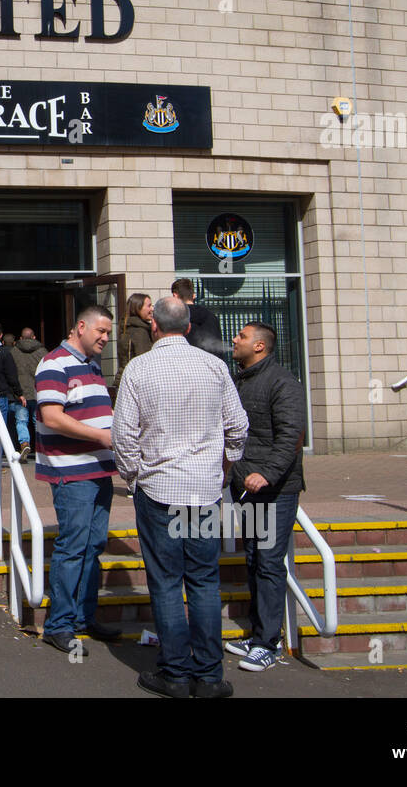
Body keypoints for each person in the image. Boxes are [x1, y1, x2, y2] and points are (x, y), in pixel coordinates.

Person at [113, 296, 247, 698]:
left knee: (167, 583)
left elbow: (123, 437)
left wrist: (135, 477)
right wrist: (221, 470)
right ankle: (208, 676)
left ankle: (174, 673)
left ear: (154, 327)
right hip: (202, 490)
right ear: (188, 327)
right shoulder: (214, 367)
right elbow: (237, 428)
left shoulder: (139, 368)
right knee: (204, 581)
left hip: (158, 490)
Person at [34, 305, 120, 655]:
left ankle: (84, 618)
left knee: (94, 546)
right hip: (72, 471)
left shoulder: (91, 365)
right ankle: (59, 625)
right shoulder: (53, 364)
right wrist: (101, 437)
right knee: (73, 547)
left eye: (108, 334)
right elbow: (52, 417)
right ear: (80, 327)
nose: (105, 338)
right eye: (100, 331)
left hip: (99, 470)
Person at [226, 322, 306, 672]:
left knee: (270, 562)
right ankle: (258, 634)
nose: (234, 339)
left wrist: (267, 474)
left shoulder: (283, 383)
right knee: (255, 560)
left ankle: (268, 644)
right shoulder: (240, 379)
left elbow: (291, 436)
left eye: (241, 337)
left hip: (275, 491)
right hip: (246, 489)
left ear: (259, 346)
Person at [11, 327, 46, 462]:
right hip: (38, 392)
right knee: (37, 421)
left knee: (21, 421)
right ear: (34, 337)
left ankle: (24, 444)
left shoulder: (14, 352)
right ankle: (40, 448)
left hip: (21, 393)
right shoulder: (43, 352)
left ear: (20, 338)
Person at [171, 278, 224, 357]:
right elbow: (218, 349)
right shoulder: (211, 317)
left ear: (175, 296)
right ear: (194, 295)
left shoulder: (173, 319)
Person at [118, 292, 154, 376]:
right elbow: (144, 363)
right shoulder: (139, 331)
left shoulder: (127, 327)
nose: (152, 309)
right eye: (149, 306)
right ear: (138, 308)